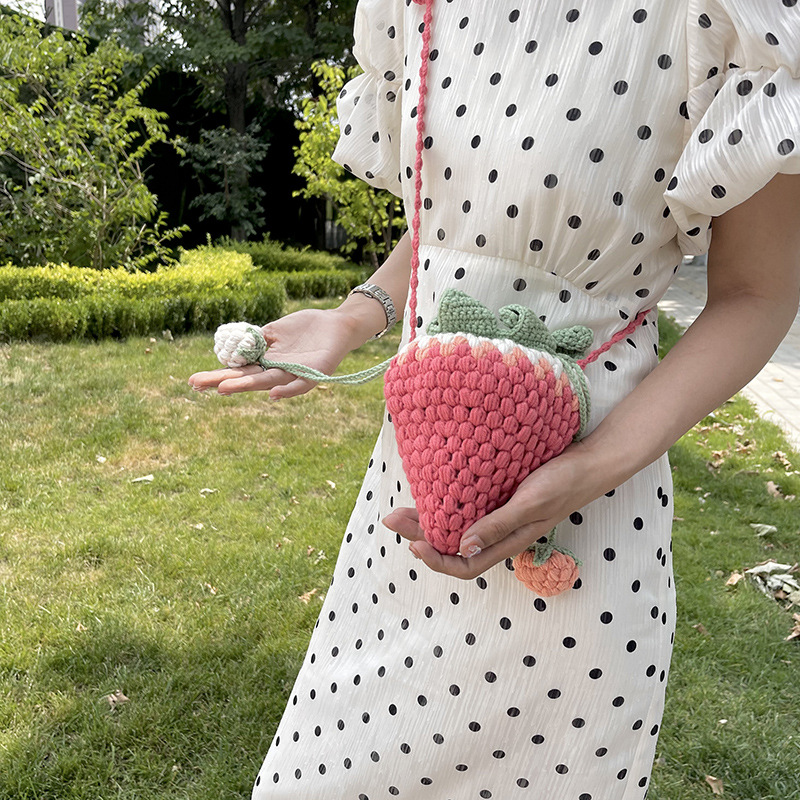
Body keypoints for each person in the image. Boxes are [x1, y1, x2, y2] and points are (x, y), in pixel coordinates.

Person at [189, 0, 800, 797]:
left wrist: (587, 472)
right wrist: (354, 314)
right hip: (412, 492)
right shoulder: (413, 9)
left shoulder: (729, 14)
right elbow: (459, 226)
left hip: (583, 521)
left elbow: (758, 292)